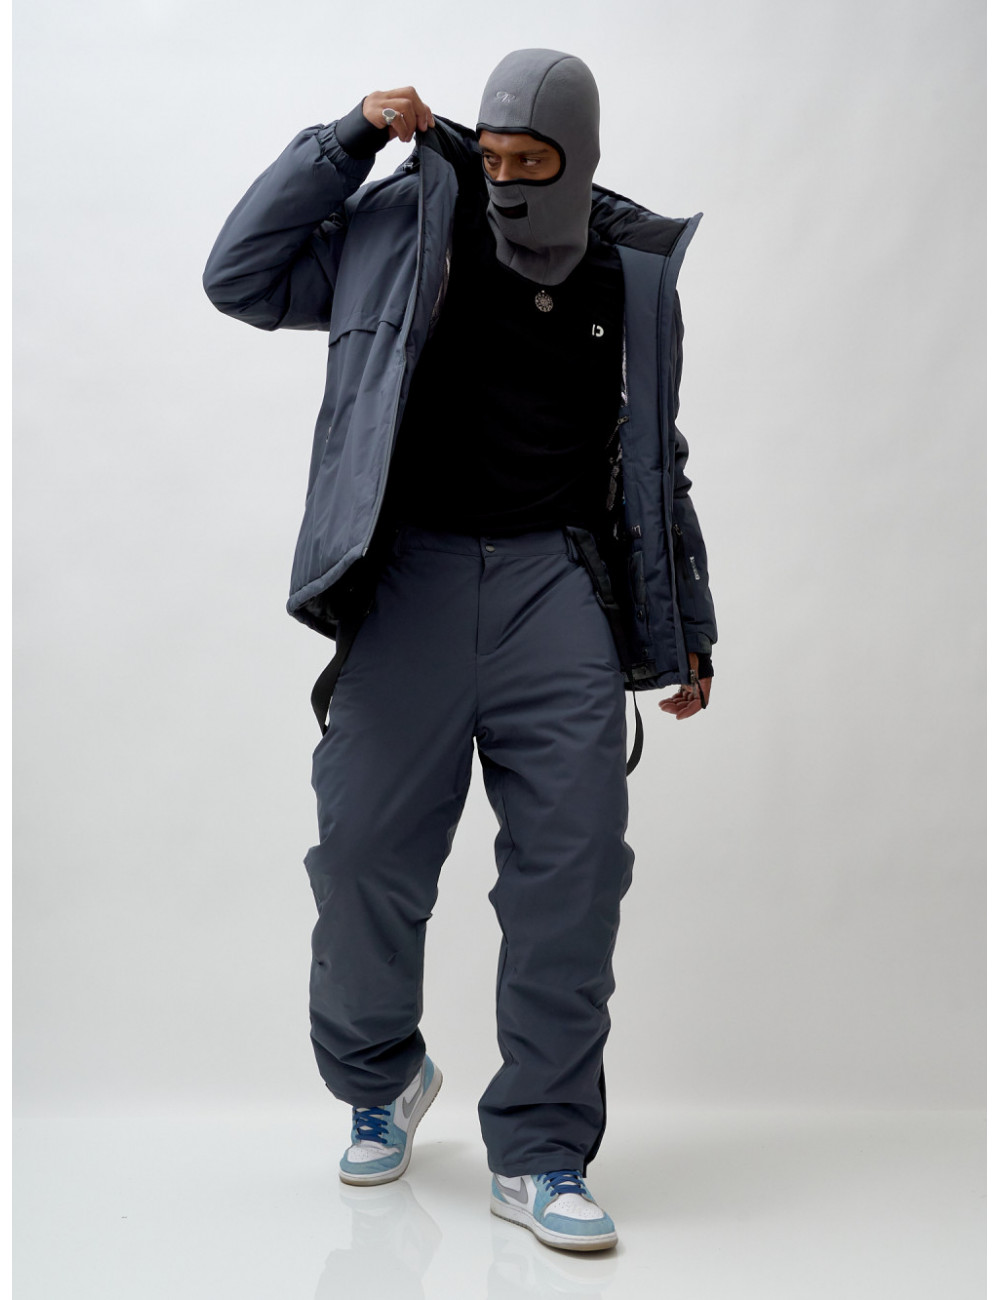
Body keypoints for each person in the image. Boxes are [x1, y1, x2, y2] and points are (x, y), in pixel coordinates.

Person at [203, 48, 717, 1253]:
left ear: (579, 159)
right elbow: (239, 277)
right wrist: (343, 141)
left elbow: (658, 459)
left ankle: (539, 1151)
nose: (505, 181)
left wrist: (687, 629)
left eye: (531, 162)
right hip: (411, 581)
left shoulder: (632, 275)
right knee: (362, 856)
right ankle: (381, 1075)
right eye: (488, 157)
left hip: (558, 588)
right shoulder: (403, 226)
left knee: (572, 874)